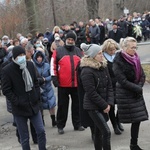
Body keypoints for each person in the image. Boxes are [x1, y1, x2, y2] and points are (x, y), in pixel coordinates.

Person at [1, 46, 46, 150]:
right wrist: (17, 101)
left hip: (33, 105)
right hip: (19, 109)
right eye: (19, 56)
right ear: (14, 57)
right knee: (24, 137)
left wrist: (36, 96)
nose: (22, 57)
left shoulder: (30, 65)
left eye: (23, 55)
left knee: (41, 131)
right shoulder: (7, 70)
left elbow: (35, 82)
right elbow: (6, 90)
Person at [113, 37, 148, 150]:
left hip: (136, 91)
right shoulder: (118, 61)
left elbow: (142, 75)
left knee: (137, 119)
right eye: (132, 47)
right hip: (125, 93)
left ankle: (134, 144)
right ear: (125, 48)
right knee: (132, 117)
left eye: (136, 47)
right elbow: (122, 80)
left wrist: (139, 86)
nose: (135, 50)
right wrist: (137, 88)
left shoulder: (135, 58)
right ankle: (116, 126)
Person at [79, 43, 114, 150]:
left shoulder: (103, 66)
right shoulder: (86, 71)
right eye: (99, 53)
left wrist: (109, 103)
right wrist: (104, 105)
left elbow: (109, 86)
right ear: (93, 55)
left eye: (101, 53)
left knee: (98, 133)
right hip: (93, 106)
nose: (102, 55)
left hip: (103, 104)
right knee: (106, 132)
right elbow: (91, 92)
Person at [51, 31, 84, 134]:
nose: (70, 41)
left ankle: (77, 124)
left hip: (76, 84)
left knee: (77, 105)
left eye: (72, 39)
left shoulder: (79, 51)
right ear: (65, 40)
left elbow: (83, 65)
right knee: (62, 106)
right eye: (69, 39)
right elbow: (53, 65)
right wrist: (54, 78)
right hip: (63, 84)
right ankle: (60, 125)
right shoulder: (58, 51)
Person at [102, 39, 124, 135]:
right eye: (111, 50)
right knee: (111, 106)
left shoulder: (118, 57)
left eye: (114, 49)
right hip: (109, 85)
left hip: (119, 84)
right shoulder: (103, 58)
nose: (113, 52)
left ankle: (118, 120)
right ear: (106, 49)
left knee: (121, 104)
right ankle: (115, 125)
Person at [33, 50, 57, 127]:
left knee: (51, 104)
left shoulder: (47, 65)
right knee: (41, 106)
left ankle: (53, 120)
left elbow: (52, 76)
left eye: (40, 57)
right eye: (38, 57)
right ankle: (42, 121)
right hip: (39, 88)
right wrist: (40, 80)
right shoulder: (33, 66)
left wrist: (45, 79)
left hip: (48, 87)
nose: (39, 59)